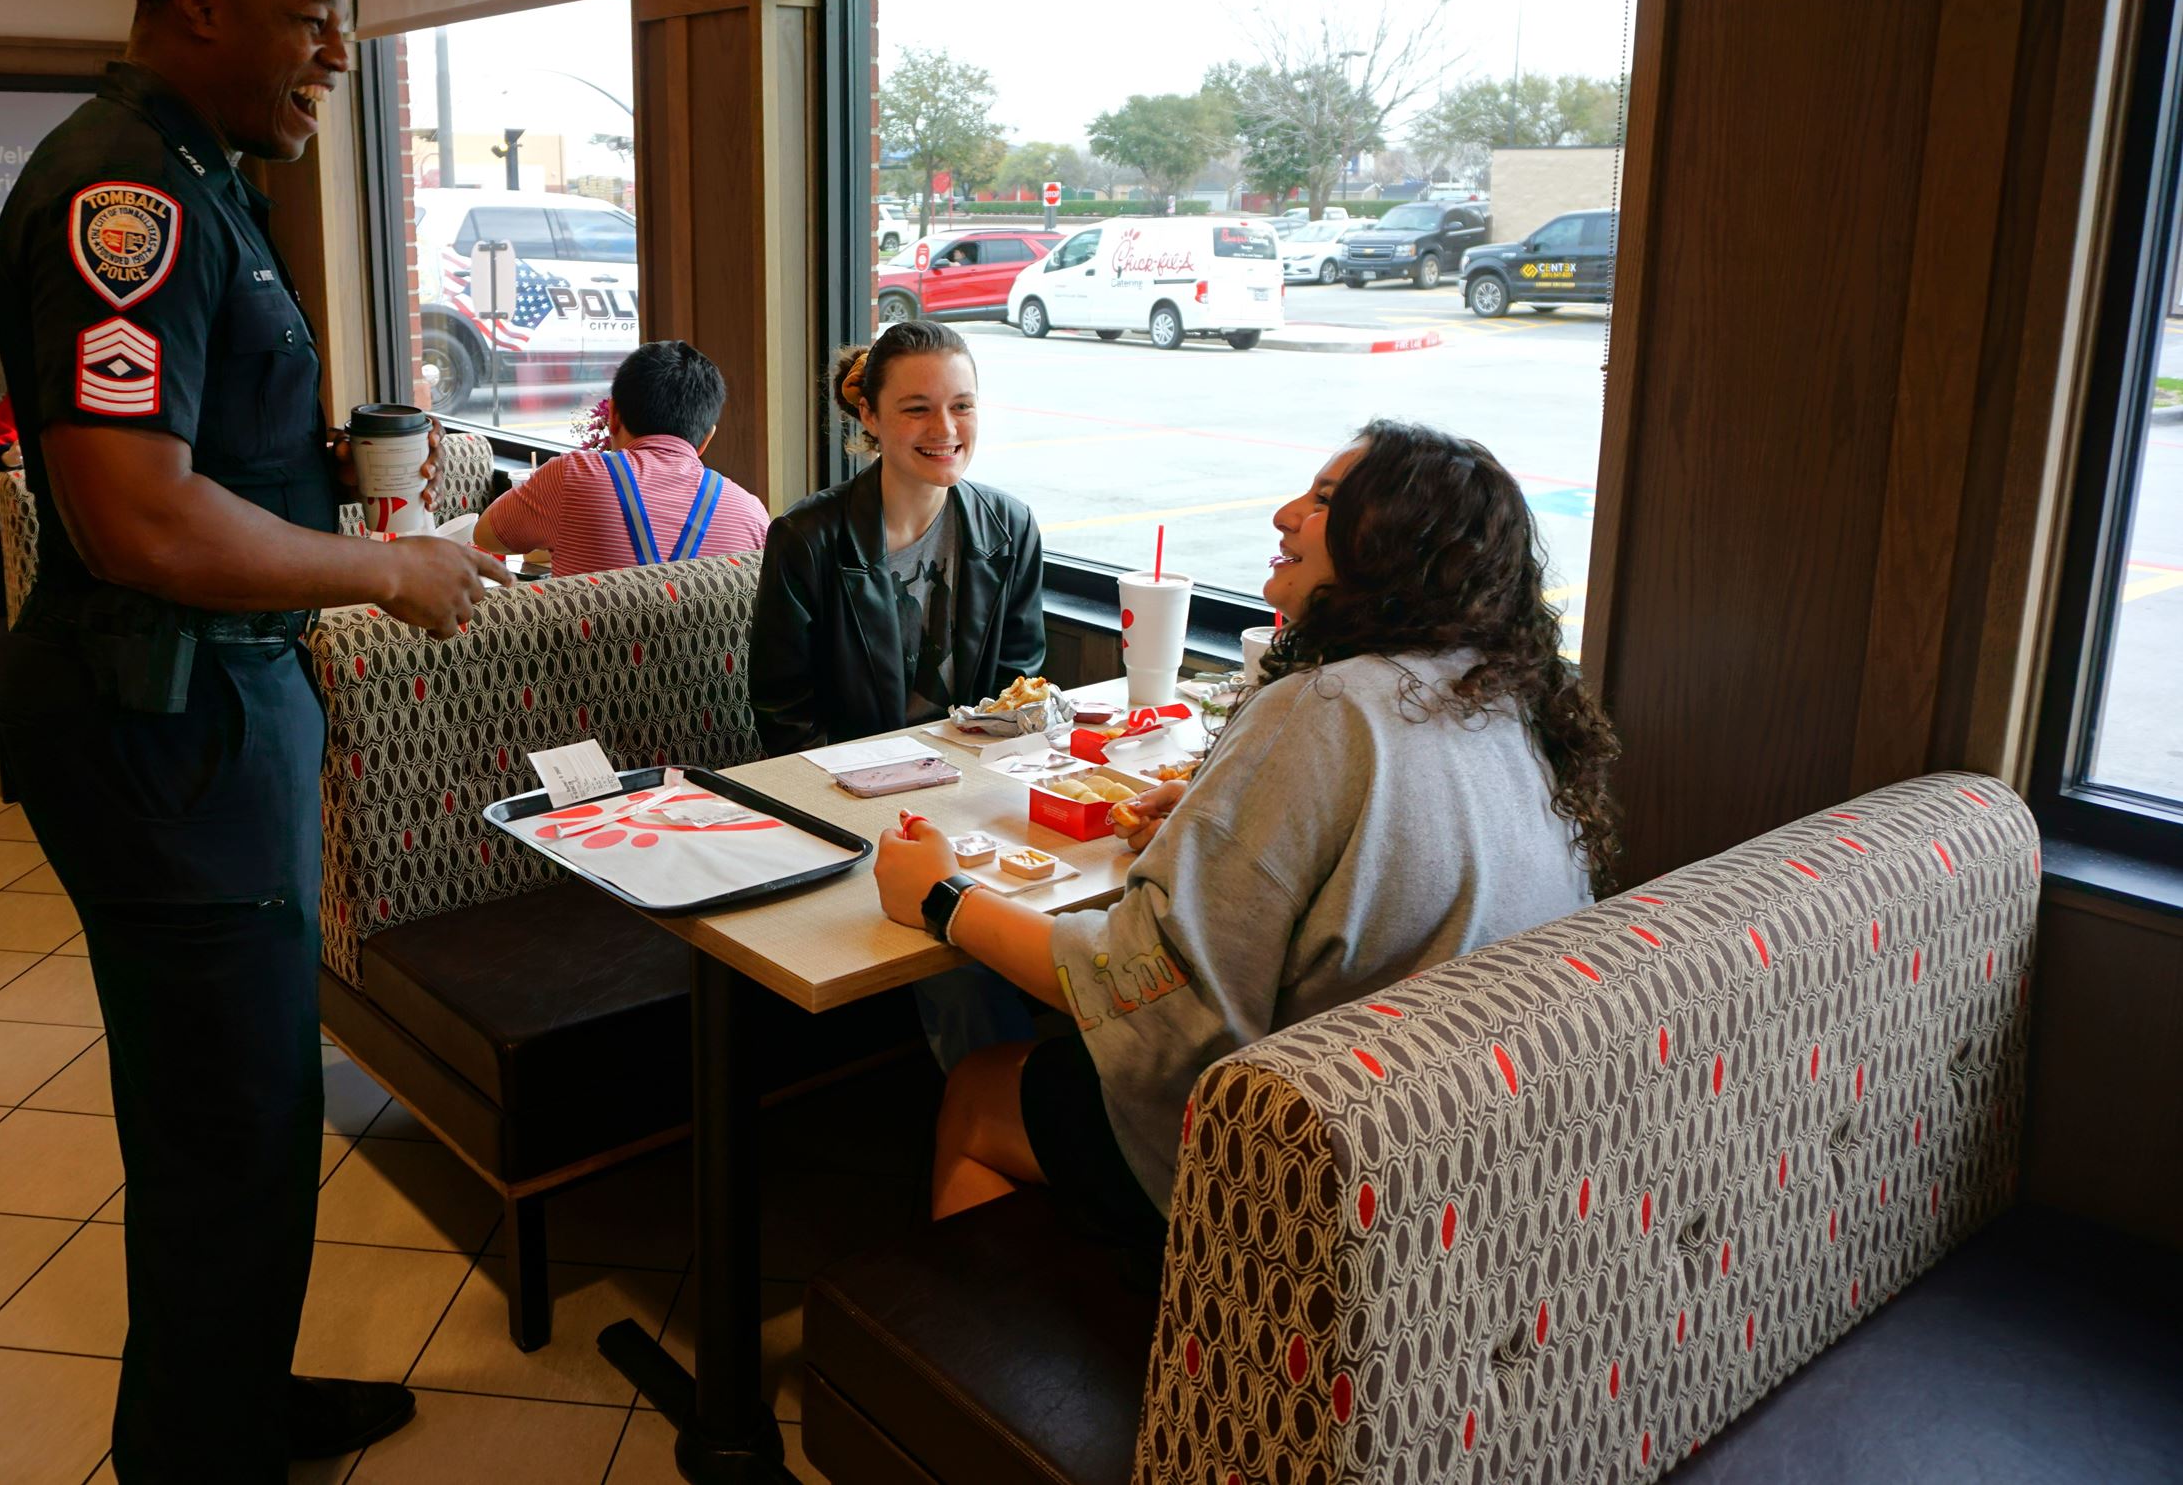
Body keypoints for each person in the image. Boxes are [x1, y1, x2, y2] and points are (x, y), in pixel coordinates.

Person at [0, 0, 512, 1484]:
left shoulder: (202, 176)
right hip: (167, 723)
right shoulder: (123, 193)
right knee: (227, 1124)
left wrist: (324, 487)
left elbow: (206, 455)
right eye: (308, 18)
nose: (335, 56)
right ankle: (198, 1455)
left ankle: (234, 1401)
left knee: (259, 1108)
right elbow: (133, 513)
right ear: (197, 3)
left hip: (219, 711)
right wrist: (385, 570)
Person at [872, 420, 1620, 1241]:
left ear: (1397, 546)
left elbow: (1143, 979)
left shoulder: (1325, 705)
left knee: (979, 1093)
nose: (1284, 513)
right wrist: (1205, 818)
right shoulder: (1502, 697)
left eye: (1326, 501)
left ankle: (1076, 1350)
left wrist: (943, 896)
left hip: (1309, 1182)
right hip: (1459, 1151)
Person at [750, 318, 1046, 1069]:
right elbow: (785, 720)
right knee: (960, 950)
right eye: (916, 408)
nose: (945, 429)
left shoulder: (1009, 527)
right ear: (871, 417)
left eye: (962, 405)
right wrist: (886, 815)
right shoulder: (807, 540)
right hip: (854, 816)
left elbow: (1023, 692)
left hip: (979, 805)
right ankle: (997, 1114)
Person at [473, 339, 769, 574]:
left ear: (612, 415)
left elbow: (485, 536)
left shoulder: (571, 478)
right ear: (706, 439)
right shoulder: (752, 516)